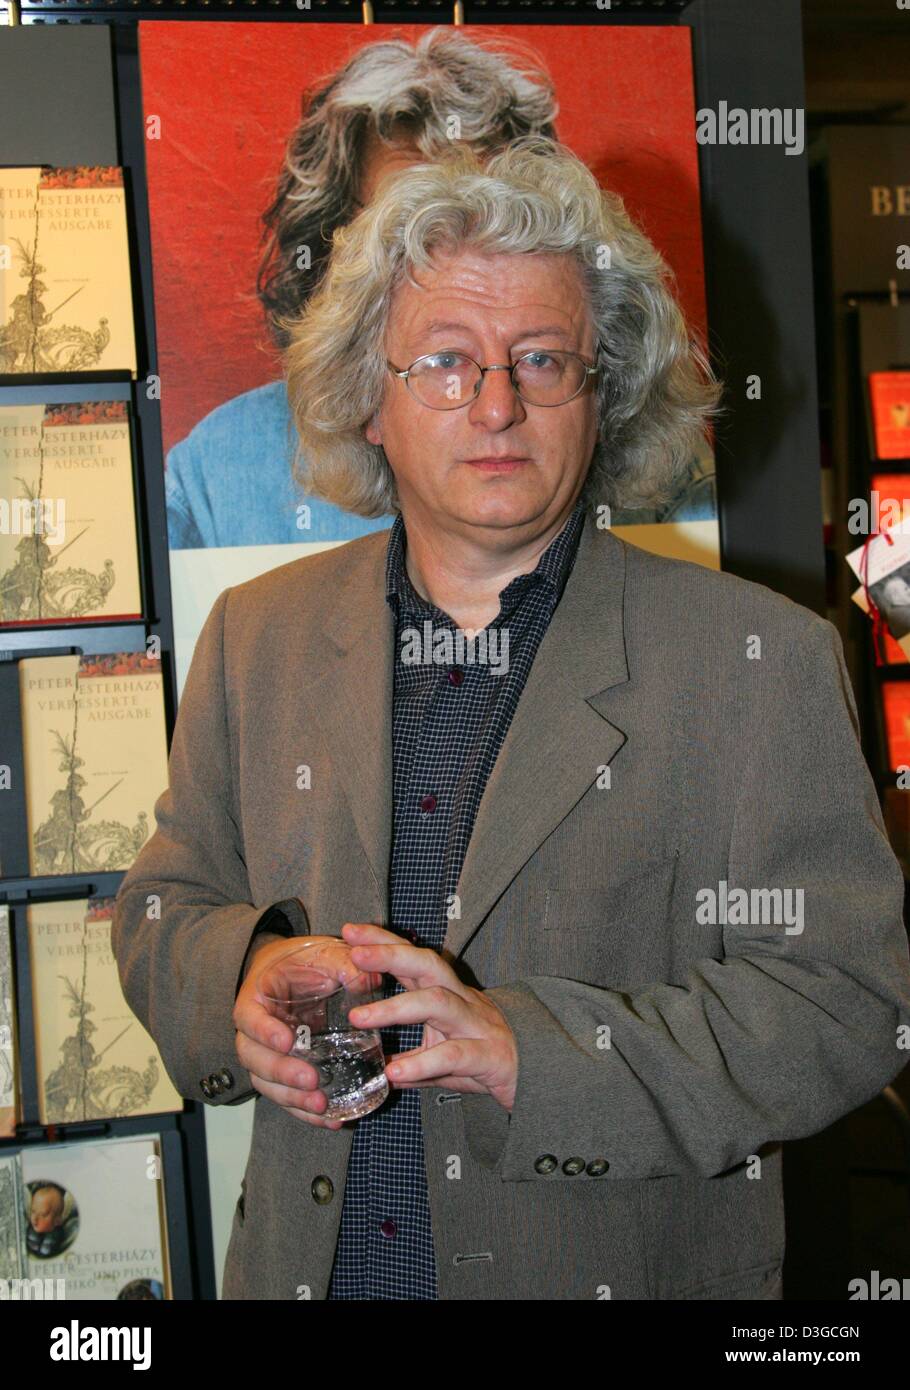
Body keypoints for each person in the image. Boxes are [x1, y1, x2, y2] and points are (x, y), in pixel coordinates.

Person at [111, 136, 910, 1300]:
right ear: (367, 399)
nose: (496, 404)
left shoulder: (755, 661)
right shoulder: (256, 636)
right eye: (446, 360)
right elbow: (158, 904)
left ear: (607, 394)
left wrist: (530, 1056)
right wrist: (242, 972)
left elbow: (847, 1003)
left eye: (542, 360)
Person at [164, 26, 560, 550]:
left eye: (488, 225)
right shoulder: (217, 474)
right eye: (404, 231)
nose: (452, 273)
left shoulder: (611, 444)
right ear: (330, 256)